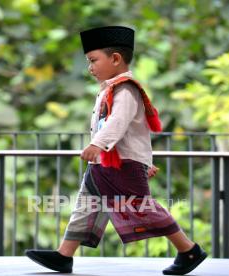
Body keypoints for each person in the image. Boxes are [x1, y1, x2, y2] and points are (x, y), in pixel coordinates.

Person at [25, 26, 207, 275]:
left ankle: (189, 250)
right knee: (85, 206)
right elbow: (134, 134)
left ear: (115, 59)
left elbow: (118, 122)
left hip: (119, 163)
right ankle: (64, 256)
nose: (89, 67)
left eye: (93, 60)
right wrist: (142, 159)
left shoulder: (126, 89)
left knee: (142, 207)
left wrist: (99, 145)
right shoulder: (110, 88)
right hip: (104, 163)